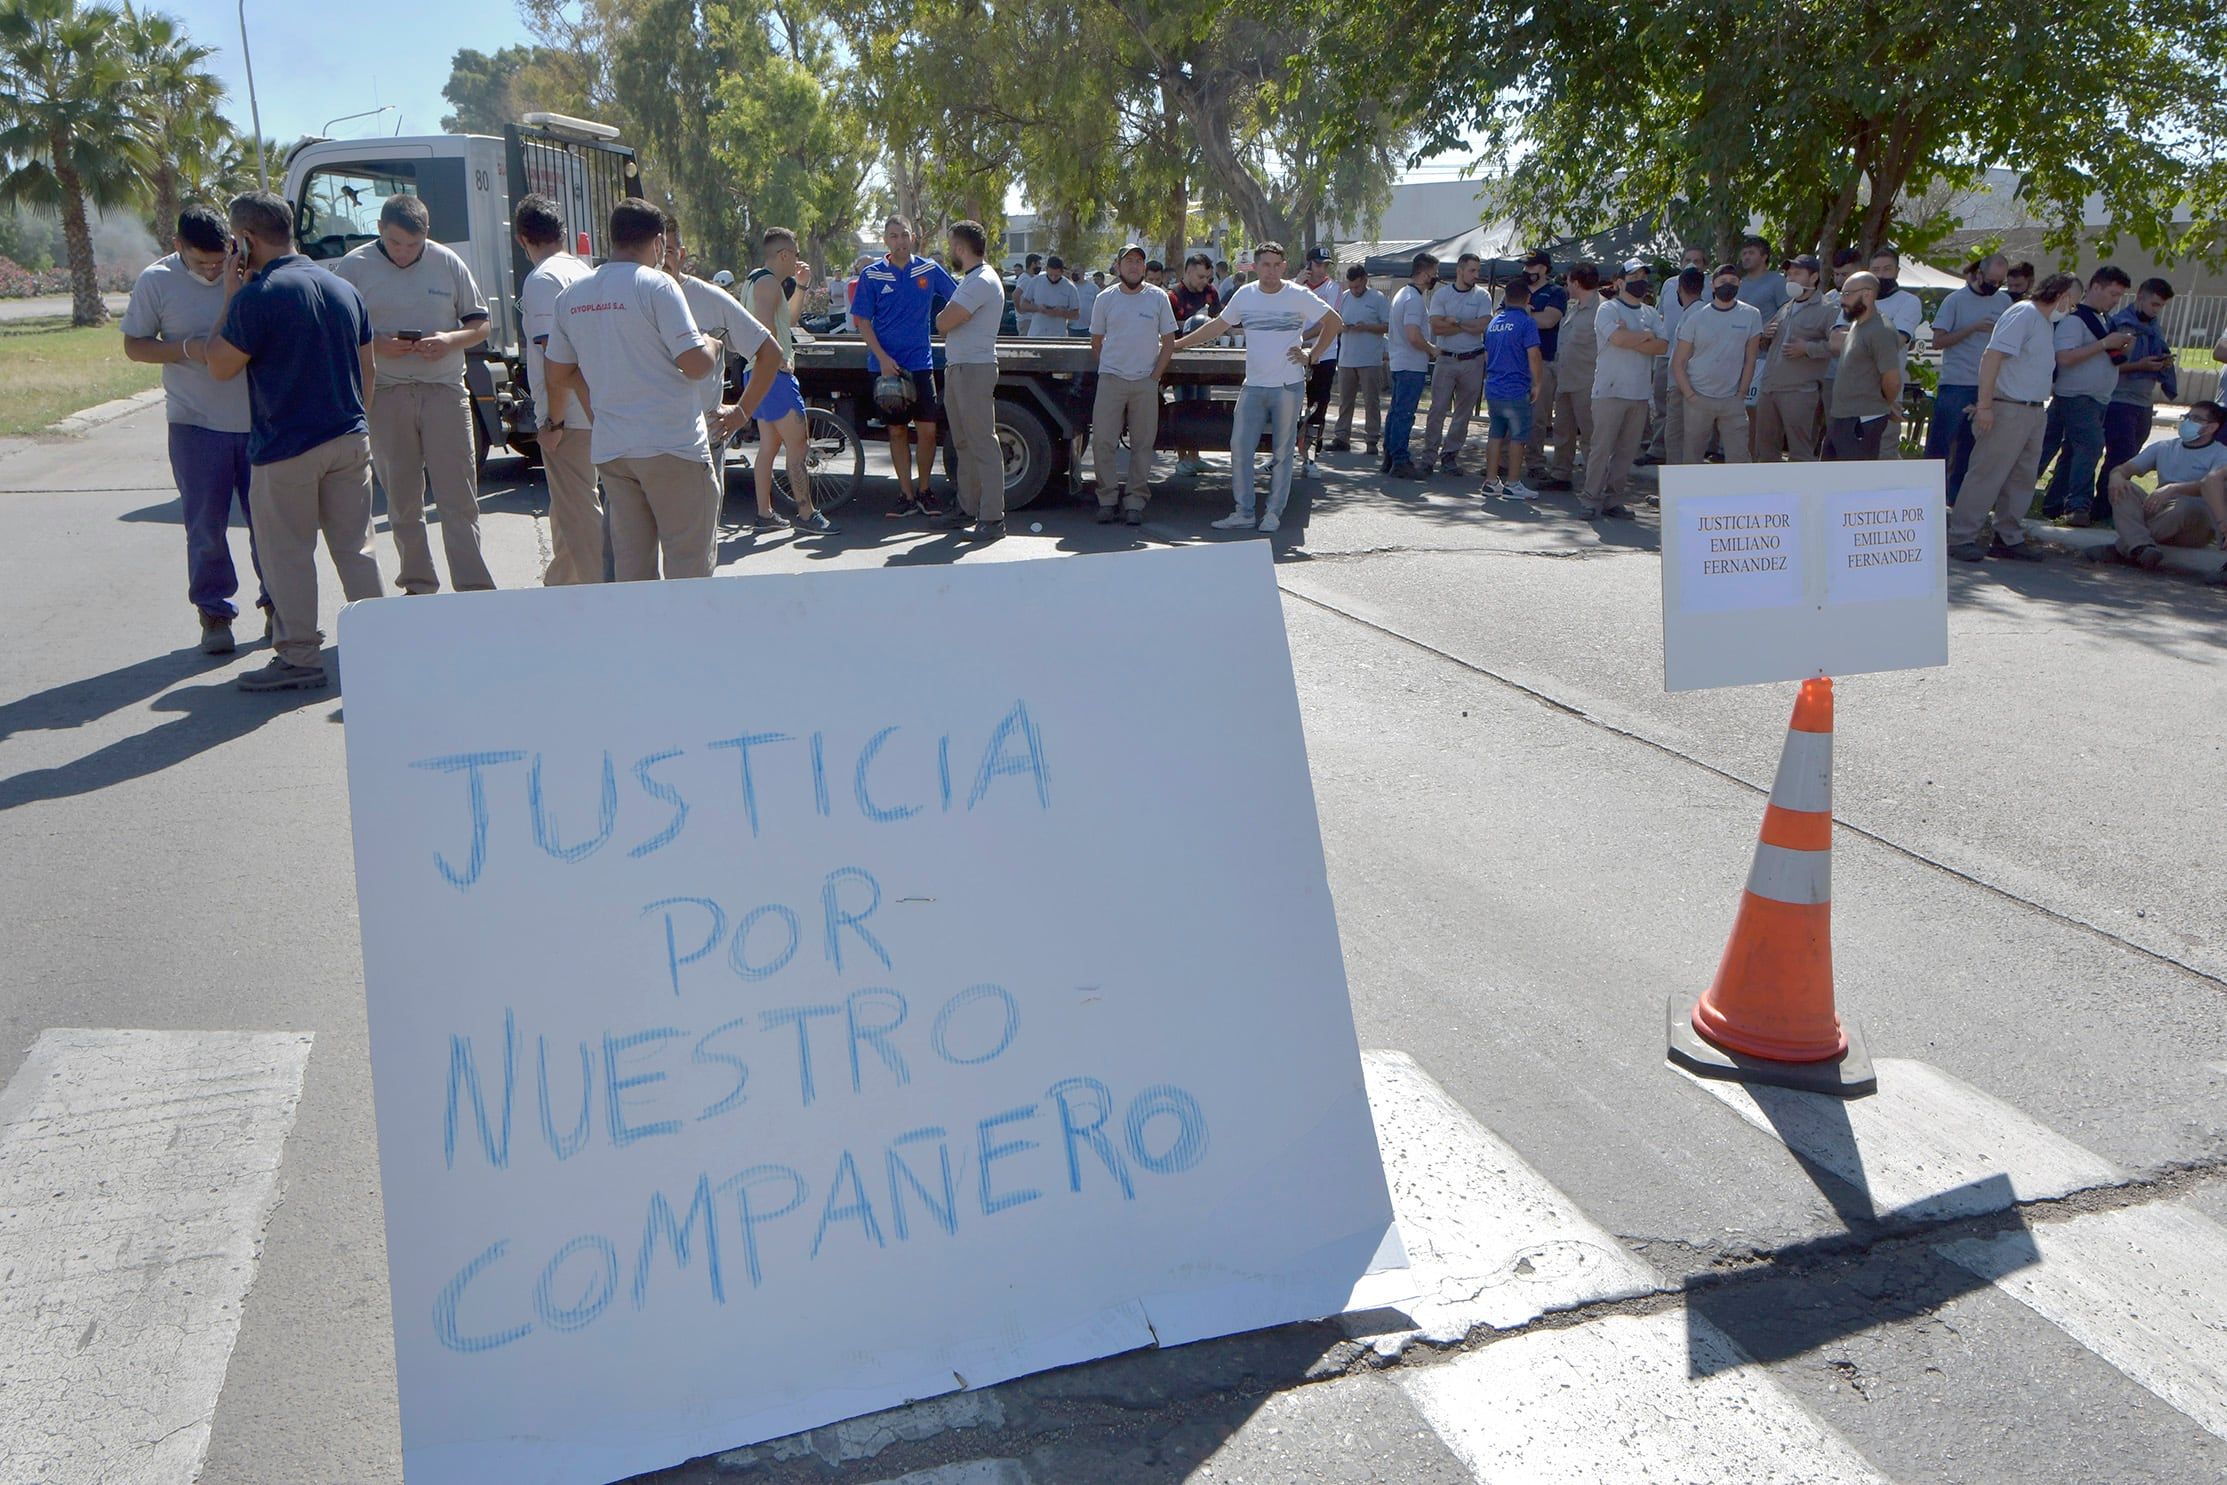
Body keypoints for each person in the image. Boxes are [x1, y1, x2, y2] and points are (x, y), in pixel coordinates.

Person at [200, 190, 386, 691]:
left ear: (245, 240)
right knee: (357, 550)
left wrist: (230, 295)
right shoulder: (343, 288)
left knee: (290, 557)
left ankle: (300, 658)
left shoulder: (258, 298)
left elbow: (219, 365)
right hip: (349, 436)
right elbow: (369, 369)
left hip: (286, 448)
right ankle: (380, 650)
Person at [538, 197, 726, 582]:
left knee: (633, 572)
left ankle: (640, 641)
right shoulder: (657, 285)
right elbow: (695, 365)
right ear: (658, 243)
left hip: (614, 451)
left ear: (613, 239)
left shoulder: (573, 295)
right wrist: (711, 344)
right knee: (688, 568)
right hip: (672, 446)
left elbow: (556, 372)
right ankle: (684, 643)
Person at [329, 193, 493, 596]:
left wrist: (450, 339)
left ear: (427, 236)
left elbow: (481, 323)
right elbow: (336, 332)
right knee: (403, 500)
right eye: (396, 243)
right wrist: (376, 344)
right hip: (386, 392)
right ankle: (419, 585)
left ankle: (473, 587)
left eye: (413, 245)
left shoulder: (447, 262)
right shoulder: (353, 267)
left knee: (459, 496)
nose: (404, 253)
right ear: (380, 230)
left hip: (444, 390)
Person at [121, 203, 267, 652]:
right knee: (205, 525)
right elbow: (135, 346)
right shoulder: (156, 281)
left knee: (270, 523)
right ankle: (214, 614)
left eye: (217, 258)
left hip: (259, 421)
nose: (210, 270)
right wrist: (186, 348)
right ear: (177, 247)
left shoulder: (252, 272)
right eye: (199, 261)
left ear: (231, 245)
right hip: (195, 423)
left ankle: (280, 607)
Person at [1169, 241, 1339, 534]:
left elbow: (1334, 322)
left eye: (1276, 265)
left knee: (1283, 452)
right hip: (1254, 385)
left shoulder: (1298, 295)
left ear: (1284, 266)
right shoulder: (1245, 295)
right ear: (1256, 267)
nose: (1271, 271)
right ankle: (1244, 511)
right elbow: (1218, 326)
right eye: (1265, 265)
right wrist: (1178, 344)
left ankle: (1273, 513)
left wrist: (1312, 355)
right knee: (1240, 447)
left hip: (1288, 386)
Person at [1948, 271, 2085, 563]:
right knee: (1987, 473)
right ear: (2062, 296)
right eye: (2072, 303)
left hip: (2034, 410)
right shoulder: (2023, 313)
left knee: (2021, 479)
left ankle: (2007, 537)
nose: (2071, 310)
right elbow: (1992, 356)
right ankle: (1962, 536)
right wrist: (1985, 406)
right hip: (2008, 406)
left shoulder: (2044, 323)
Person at [661, 212, 785, 521]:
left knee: (696, 557)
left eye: (670, 251)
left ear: (682, 254)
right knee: (633, 560)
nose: (662, 259)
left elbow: (770, 353)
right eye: (656, 249)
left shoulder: (709, 299)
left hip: (700, 446)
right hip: (639, 447)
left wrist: (741, 413)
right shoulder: (627, 299)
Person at [513, 192, 602, 585]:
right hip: (597, 406)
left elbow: (556, 358)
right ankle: (560, 587)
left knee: (579, 512)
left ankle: (598, 595)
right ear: (562, 233)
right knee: (569, 510)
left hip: (572, 416)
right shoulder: (584, 272)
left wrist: (554, 421)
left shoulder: (542, 280)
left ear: (522, 239)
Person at [854, 215, 959, 517]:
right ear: (886, 240)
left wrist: (947, 324)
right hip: (885, 368)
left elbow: (957, 297)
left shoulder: (928, 269)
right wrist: (883, 360)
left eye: (904, 235)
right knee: (897, 432)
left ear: (913, 237)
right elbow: (862, 321)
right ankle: (906, 495)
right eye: (893, 236)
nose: (900, 241)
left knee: (927, 432)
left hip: (920, 364)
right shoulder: (872, 275)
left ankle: (925, 491)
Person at [746, 226, 838, 535]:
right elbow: (765, 326)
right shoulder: (768, 284)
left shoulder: (760, 282)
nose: (797, 260)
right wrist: (780, 361)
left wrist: (800, 286)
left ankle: (764, 514)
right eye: (795, 255)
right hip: (773, 376)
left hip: (760, 373)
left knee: (769, 446)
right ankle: (806, 513)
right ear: (784, 255)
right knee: (798, 446)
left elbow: (790, 321)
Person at [1086, 242, 1176, 523]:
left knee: (1142, 444)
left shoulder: (1158, 298)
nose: (1134, 266)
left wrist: (1154, 377)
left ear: (1144, 267)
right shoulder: (1105, 298)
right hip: (1111, 379)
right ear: (1118, 266)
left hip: (1144, 382)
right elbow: (1096, 341)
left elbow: (1169, 342)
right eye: (1129, 261)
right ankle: (1107, 498)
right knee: (1102, 441)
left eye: (1139, 261)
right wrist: (1110, 368)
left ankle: (1135, 500)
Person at [932, 219, 1010, 540]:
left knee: (982, 444)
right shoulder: (971, 279)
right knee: (963, 444)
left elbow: (945, 320)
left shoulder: (982, 281)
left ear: (961, 247)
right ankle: (967, 507)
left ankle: (992, 519)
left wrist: (943, 317)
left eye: (952, 245)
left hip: (974, 370)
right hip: (960, 368)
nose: (951, 251)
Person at [2037, 264, 2133, 523]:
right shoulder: (2075, 318)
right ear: (2095, 287)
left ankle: (2053, 504)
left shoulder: (2102, 319)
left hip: (2095, 397)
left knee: (2063, 450)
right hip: (2076, 395)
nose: (2116, 300)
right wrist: (2104, 344)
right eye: (2113, 293)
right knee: (2089, 445)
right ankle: (2077, 506)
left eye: (2119, 296)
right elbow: (2064, 358)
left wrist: (2118, 346)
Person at [2101, 401, 2227, 572]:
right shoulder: (2164, 447)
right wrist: (2116, 477)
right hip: (2160, 509)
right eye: (2187, 417)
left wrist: (2173, 488)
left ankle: (2125, 546)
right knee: (2124, 488)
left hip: (2195, 520)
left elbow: (2212, 486)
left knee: (2184, 506)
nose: (2188, 422)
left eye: (2196, 419)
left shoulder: (2221, 454)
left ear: (2211, 427)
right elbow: (2124, 469)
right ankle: (2141, 547)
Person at [1926, 254, 2011, 499]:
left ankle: (1957, 497)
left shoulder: (2004, 302)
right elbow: (1938, 341)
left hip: (1987, 385)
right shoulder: (1955, 300)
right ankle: (1929, 495)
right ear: (1978, 274)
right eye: (1992, 280)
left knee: (1971, 446)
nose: (1994, 286)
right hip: (1956, 383)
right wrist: (1972, 328)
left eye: (2000, 282)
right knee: (1940, 443)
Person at [1584, 264, 1665, 520]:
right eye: (1633, 277)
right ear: (1619, 282)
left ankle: (1613, 500)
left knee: (1627, 451)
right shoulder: (1608, 308)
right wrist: (1645, 337)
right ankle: (1590, 500)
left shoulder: (1651, 312)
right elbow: (1617, 340)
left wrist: (1632, 336)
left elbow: (1661, 347)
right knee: (1601, 448)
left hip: (1639, 393)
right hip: (1609, 390)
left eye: (1643, 276)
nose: (1640, 281)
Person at [2099, 277, 2179, 518]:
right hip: (2120, 400)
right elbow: (2109, 366)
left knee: (2131, 459)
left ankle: (2116, 507)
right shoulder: (2120, 324)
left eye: (2161, 306)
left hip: (2144, 401)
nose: (2156, 310)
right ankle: (2103, 507)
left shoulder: (2154, 327)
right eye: (2154, 304)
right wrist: (2140, 365)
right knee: (2119, 458)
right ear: (2140, 298)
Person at [1673, 263, 1762, 464]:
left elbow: (1750, 359)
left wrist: (1741, 394)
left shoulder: (1751, 315)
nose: (1727, 285)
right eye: (1722, 282)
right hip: (1698, 397)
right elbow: (1679, 362)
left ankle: (1738, 495)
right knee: (1692, 456)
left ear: (1739, 284)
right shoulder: (1696, 318)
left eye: (1732, 281)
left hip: (1732, 399)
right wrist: (1690, 395)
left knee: (1739, 456)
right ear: (1712, 286)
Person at [1750, 254, 1834, 462]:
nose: (1791, 278)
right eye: (1789, 274)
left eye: (1797, 273)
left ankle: (1801, 494)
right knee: (1766, 449)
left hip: (1800, 391)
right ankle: (1770, 493)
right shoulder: (1786, 307)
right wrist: (1765, 335)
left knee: (1800, 451)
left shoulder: (1828, 309)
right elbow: (1767, 342)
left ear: (1814, 277)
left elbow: (1838, 346)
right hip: (1770, 389)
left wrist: (1807, 348)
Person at [1421, 252, 1492, 470]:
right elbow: (1436, 327)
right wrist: (1466, 326)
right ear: (1459, 271)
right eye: (1472, 270)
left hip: (1473, 360)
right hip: (1446, 357)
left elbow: (1483, 326)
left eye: (1478, 271)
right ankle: (1428, 456)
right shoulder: (1442, 295)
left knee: (1463, 412)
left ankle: (1450, 454)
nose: (1475, 275)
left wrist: (1457, 322)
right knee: (1438, 409)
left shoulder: (1482, 296)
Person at [1824, 272, 1903, 459]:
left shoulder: (1881, 330)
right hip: (1841, 417)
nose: (1843, 300)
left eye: (1847, 294)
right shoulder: (1856, 324)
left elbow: (1892, 379)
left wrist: (1886, 403)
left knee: (1855, 482)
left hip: (1862, 420)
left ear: (1867, 294)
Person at [1480, 276, 1543, 500]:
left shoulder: (1494, 322)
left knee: (1495, 434)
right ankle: (1513, 483)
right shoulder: (1527, 323)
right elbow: (1533, 354)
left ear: (1505, 298)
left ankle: (1490, 480)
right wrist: (1537, 383)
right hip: (1516, 388)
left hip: (1494, 387)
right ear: (1527, 298)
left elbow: (1487, 354)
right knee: (1518, 435)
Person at [1542, 261, 1598, 489]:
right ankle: (1560, 475)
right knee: (1562, 432)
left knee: (1590, 436)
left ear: (1576, 283)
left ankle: (1594, 482)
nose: (1566, 285)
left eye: (1568, 281)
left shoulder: (1602, 310)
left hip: (1587, 382)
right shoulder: (1573, 307)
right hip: (1565, 381)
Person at [1382, 252, 1438, 480]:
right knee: (1404, 413)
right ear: (1424, 273)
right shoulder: (1414, 299)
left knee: (1396, 413)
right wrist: (1432, 349)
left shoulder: (1401, 294)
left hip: (1399, 361)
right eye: (1434, 273)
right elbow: (1413, 335)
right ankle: (1400, 460)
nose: (1435, 277)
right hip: (1410, 364)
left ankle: (1390, 456)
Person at [1167, 253, 1224, 478]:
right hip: (1181, 364)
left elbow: (1221, 319)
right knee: (1184, 407)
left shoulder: (1211, 292)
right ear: (1189, 271)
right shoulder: (1173, 296)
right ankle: (1183, 458)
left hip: (1207, 361)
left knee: (1202, 406)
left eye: (1208, 277)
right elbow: (1167, 327)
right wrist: (1195, 322)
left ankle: (1196, 456)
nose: (1204, 282)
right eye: (1201, 277)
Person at [1330, 264, 1389, 456]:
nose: (1355, 290)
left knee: (1371, 400)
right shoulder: (1345, 297)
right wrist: (1343, 327)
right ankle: (1341, 437)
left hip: (1370, 359)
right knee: (1345, 401)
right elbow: (1335, 322)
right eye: (1352, 286)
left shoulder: (1378, 298)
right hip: (1347, 358)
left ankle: (1372, 439)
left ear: (1365, 280)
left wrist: (1367, 327)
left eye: (1358, 286)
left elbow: (1387, 326)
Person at [1651, 265, 1705, 462]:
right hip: (1694, 385)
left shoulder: (1693, 315)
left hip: (1682, 386)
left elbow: (1682, 359)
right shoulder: (1701, 312)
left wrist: (1682, 389)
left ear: (1679, 289)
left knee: (1675, 437)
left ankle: (1676, 489)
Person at [1521, 251, 1567, 474]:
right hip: (1515, 363)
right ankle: (1501, 462)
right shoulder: (1517, 289)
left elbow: (1549, 320)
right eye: (1526, 266)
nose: (1527, 271)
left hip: (1543, 361)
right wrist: (1529, 316)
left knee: (1538, 417)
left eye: (1532, 266)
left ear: (1544, 268)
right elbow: (1500, 316)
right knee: (1507, 413)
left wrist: (1522, 315)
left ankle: (1535, 462)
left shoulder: (1556, 292)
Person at [1297, 247, 1341, 470]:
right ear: (1308, 265)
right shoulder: (1294, 286)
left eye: (1325, 265)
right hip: (1295, 354)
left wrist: (1303, 336)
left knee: (1318, 404)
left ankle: (1311, 454)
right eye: (1318, 264)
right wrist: (1296, 283)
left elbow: (1328, 322)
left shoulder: (1333, 288)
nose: (1322, 269)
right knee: (1291, 403)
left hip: (1324, 353)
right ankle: (1285, 450)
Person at [1866, 247, 1925, 344]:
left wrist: (1852, 338)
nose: (1880, 275)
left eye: (1887, 269)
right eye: (1875, 270)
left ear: (1897, 272)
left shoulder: (1908, 301)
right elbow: (1835, 343)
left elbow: (1893, 342)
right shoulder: (1855, 299)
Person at [1027, 256, 1082, 338]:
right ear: (1046, 269)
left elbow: (1076, 314)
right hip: (1036, 335)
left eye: (1056, 275)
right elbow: (1023, 304)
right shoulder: (1035, 282)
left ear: (1062, 272)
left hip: (1058, 336)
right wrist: (1038, 308)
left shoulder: (1070, 287)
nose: (1053, 278)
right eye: (1050, 275)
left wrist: (1061, 313)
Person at [1736, 235, 1788, 320]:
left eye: (1751, 253)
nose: (1746, 257)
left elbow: (1787, 313)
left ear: (1764, 257)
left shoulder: (1777, 281)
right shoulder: (1738, 284)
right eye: (1744, 253)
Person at [1073, 267, 1100, 338]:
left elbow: (1099, 306)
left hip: (1089, 327)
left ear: (1083, 272)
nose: (1074, 273)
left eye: (1076, 271)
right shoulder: (1070, 287)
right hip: (1072, 327)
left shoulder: (1093, 288)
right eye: (1072, 271)